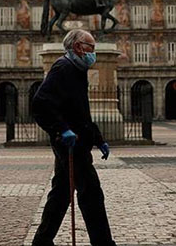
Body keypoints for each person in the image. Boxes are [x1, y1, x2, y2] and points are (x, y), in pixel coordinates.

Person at [31, 29, 116, 246]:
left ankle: (41, 242)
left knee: (61, 193)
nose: (93, 54)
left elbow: (80, 113)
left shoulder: (77, 70)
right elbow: (40, 104)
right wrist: (61, 130)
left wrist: (98, 139)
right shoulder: (63, 68)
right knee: (91, 194)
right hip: (70, 144)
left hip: (76, 141)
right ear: (78, 47)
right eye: (91, 48)